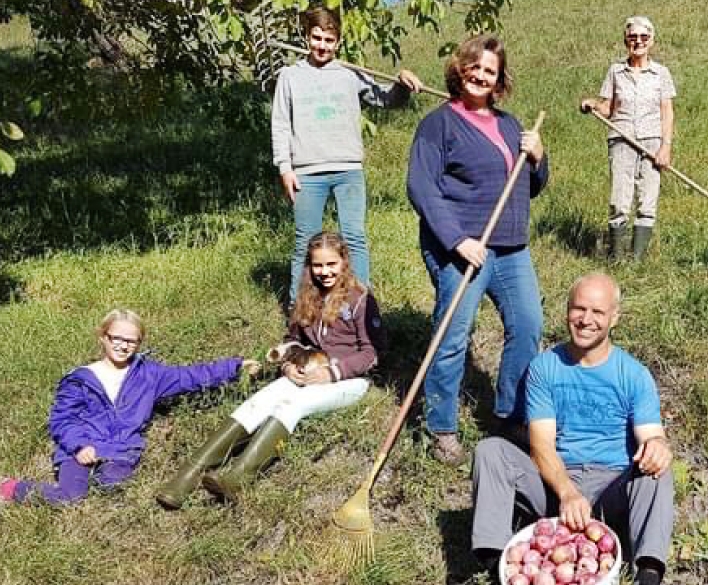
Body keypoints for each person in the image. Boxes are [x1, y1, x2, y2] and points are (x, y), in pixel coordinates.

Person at [155, 232, 388, 507]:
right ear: (309, 266)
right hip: (307, 371)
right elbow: (294, 341)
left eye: (331, 265)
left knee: (293, 404)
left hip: (349, 380)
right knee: (259, 400)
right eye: (318, 266)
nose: (324, 272)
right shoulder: (307, 295)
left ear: (344, 263)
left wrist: (331, 374)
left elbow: (374, 352)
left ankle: (238, 477)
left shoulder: (359, 300)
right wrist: (289, 365)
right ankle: (187, 476)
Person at [470, 273, 674, 585]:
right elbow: (541, 446)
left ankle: (648, 572)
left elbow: (651, 435)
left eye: (597, 312)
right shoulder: (544, 367)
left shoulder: (634, 374)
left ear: (614, 318)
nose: (585, 320)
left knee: (658, 469)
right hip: (556, 485)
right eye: (578, 309)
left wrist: (657, 445)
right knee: (491, 451)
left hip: (612, 489)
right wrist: (567, 493)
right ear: (567, 310)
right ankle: (498, 564)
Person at [406, 34, 549, 466]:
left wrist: (539, 159)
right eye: (475, 67)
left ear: (499, 78)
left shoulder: (510, 124)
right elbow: (421, 187)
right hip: (462, 248)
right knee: (453, 336)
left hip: (510, 248)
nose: (481, 75)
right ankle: (442, 427)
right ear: (460, 69)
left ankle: (509, 414)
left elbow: (531, 188)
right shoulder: (439, 124)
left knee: (528, 326)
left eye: (490, 70)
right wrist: (458, 240)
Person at [0, 310, 258, 506]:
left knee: (112, 490)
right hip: (81, 448)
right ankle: (11, 488)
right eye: (116, 337)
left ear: (139, 343)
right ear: (103, 338)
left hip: (121, 450)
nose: (122, 345)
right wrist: (79, 446)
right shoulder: (80, 379)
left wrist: (236, 366)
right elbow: (62, 419)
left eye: (131, 341)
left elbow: (190, 376)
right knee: (71, 498)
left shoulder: (150, 375)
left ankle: (99, 482)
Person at [271, 6, 422, 304]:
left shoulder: (350, 74)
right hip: (306, 173)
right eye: (316, 38)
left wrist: (401, 83)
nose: (322, 46)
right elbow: (280, 125)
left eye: (329, 40)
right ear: (306, 37)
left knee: (354, 237)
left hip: (348, 170)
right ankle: (298, 310)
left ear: (338, 41)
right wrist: (284, 167)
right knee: (306, 241)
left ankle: (361, 306)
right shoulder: (289, 76)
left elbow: (385, 99)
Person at [580, 16, 676, 261]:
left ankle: (636, 261)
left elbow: (667, 111)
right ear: (626, 40)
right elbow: (607, 107)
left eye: (644, 37)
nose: (638, 41)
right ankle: (617, 258)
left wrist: (665, 146)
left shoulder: (661, 73)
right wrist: (592, 104)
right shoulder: (615, 71)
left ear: (652, 41)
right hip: (622, 139)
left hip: (652, 142)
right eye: (633, 37)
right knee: (619, 200)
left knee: (647, 200)